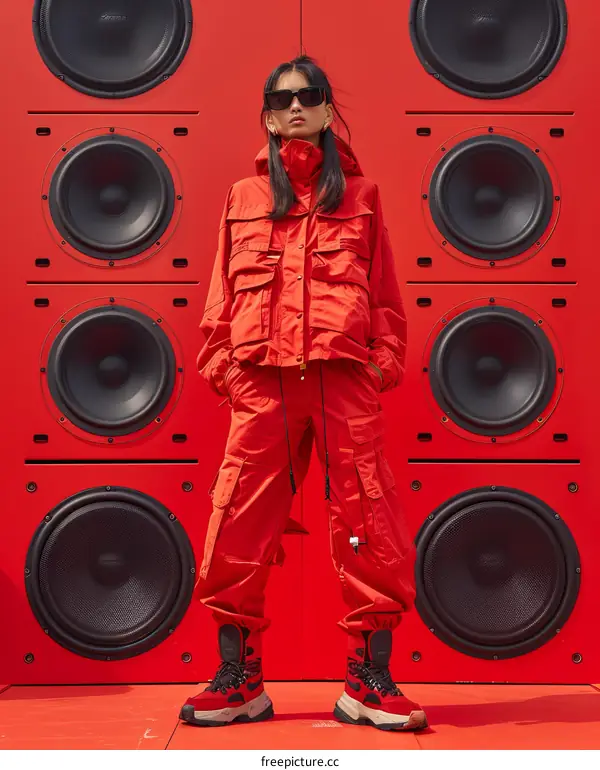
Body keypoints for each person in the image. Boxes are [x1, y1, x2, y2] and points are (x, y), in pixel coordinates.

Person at [179, 55, 427, 733]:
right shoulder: (244, 197)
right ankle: (239, 681)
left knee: (368, 521)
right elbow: (219, 299)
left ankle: (367, 683)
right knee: (237, 523)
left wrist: (380, 367)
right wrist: (226, 368)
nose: (294, 107)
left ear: (324, 111)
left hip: (344, 383)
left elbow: (385, 299)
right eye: (281, 98)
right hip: (262, 383)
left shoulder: (363, 196)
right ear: (267, 114)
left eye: (308, 96)